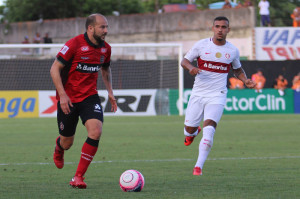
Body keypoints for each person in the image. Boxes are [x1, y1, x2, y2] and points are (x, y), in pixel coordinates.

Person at [181, 16, 256, 176]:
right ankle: (193, 133)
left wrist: (245, 80)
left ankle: (198, 167)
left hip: (218, 95)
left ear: (228, 29)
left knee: (209, 132)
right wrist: (191, 68)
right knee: (188, 130)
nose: (220, 29)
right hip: (198, 93)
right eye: (217, 26)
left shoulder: (232, 50)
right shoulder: (201, 45)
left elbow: (237, 70)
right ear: (213, 28)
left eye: (223, 27)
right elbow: (184, 61)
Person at [50, 13, 117, 189]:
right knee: (67, 143)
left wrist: (110, 92)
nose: (106, 31)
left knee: (96, 131)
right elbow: (54, 69)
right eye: (102, 27)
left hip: (89, 96)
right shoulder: (74, 44)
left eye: (107, 27)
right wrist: (62, 95)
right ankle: (59, 147)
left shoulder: (106, 49)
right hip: (69, 99)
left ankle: (78, 177)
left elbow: (105, 69)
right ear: (90, 28)